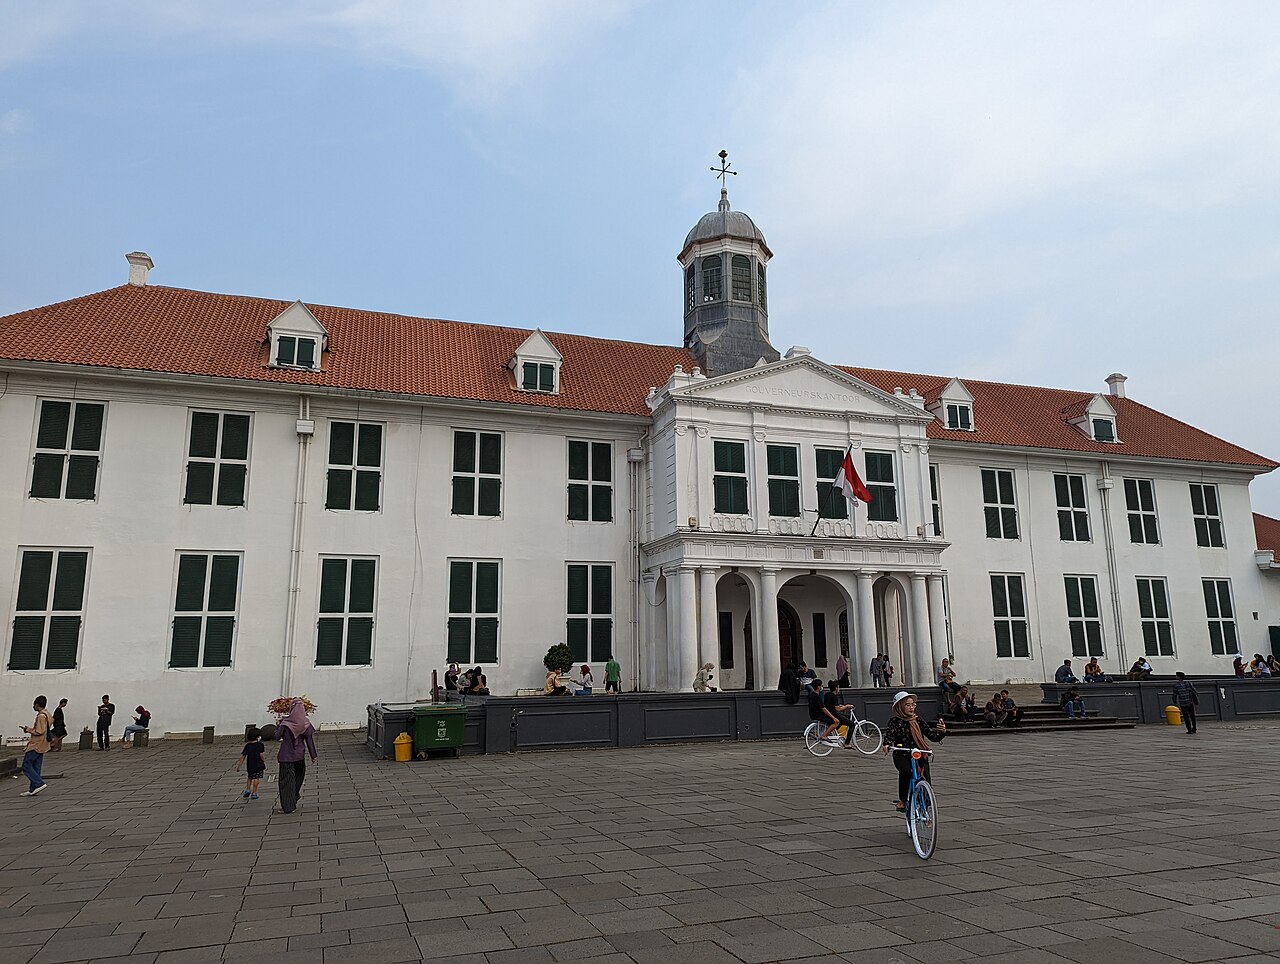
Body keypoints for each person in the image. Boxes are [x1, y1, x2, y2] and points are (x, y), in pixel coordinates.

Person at [882, 691, 946, 813]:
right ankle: (903, 800)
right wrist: (887, 744)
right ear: (899, 706)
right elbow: (890, 734)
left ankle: (925, 810)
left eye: (913, 705)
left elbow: (932, 736)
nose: (911, 708)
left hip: (919, 753)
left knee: (925, 778)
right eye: (908, 705)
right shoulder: (895, 721)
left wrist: (942, 731)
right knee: (906, 771)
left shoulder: (918, 720)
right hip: (902, 754)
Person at [276, 699, 317, 814]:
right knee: (298, 778)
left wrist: (278, 726)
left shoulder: (285, 723)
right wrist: (313, 755)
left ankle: (288, 806)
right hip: (300, 756)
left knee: (286, 781)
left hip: (286, 756)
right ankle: (293, 798)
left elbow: (276, 737)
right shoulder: (306, 724)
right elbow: (310, 741)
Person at [20, 695, 53, 797]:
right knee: (36, 766)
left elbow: (39, 731)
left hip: (36, 744)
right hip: (43, 744)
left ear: (37, 705)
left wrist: (28, 729)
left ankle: (39, 783)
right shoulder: (48, 714)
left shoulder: (41, 716)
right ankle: (33, 788)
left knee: (26, 765)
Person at [819, 680, 858, 747]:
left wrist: (840, 706)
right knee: (852, 724)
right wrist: (846, 706)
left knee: (847, 717)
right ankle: (847, 743)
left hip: (830, 713)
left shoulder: (827, 694)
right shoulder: (834, 696)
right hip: (834, 714)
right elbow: (838, 709)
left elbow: (831, 705)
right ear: (836, 688)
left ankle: (836, 731)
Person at [237, 726, 266, 799]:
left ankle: (247, 789)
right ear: (257, 737)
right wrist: (263, 760)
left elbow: (243, 756)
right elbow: (261, 754)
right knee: (256, 778)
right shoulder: (260, 745)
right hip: (258, 764)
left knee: (250, 777)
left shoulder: (248, 746)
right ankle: (254, 793)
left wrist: (239, 766)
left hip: (250, 764)